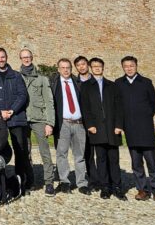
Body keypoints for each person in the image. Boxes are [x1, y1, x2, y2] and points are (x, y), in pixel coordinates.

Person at [115, 56, 155, 204]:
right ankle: (143, 190)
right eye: (126, 66)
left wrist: (144, 117)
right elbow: (118, 105)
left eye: (131, 65)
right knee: (136, 163)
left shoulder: (146, 82)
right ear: (123, 68)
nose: (129, 68)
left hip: (145, 129)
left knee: (151, 162)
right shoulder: (119, 84)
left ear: (136, 66)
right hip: (130, 129)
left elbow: (153, 104)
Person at [0, 47, 32, 191]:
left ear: (6, 57)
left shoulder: (16, 76)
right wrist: (0, 112)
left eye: (2, 57)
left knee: (21, 150)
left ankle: (22, 182)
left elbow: (22, 95)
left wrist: (11, 110)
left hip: (16, 117)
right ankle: (0, 182)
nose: (0, 60)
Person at [80, 57, 127, 200]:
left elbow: (119, 108)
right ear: (91, 68)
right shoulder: (86, 86)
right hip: (97, 128)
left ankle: (117, 187)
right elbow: (85, 108)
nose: (97, 68)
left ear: (103, 67)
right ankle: (105, 187)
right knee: (101, 159)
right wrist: (90, 125)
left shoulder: (112, 86)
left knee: (114, 159)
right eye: (94, 66)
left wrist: (119, 125)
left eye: (99, 66)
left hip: (112, 128)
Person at [18, 49, 56, 196]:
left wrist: (50, 123)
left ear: (32, 58)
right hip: (22, 118)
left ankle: (49, 182)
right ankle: (28, 181)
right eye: (23, 57)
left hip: (39, 119)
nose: (26, 59)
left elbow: (49, 101)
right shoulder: (17, 77)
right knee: (24, 152)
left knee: (44, 152)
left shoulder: (42, 78)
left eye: (28, 57)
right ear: (20, 59)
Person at [51, 58, 89, 195]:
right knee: (62, 154)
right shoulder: (54, 84)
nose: (66, 70)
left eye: (68, 67)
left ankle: (82, 183)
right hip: (63, 124)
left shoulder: (78, 83)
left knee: (80, 155)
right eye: (63, 68)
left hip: (79, 124)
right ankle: (65, 182)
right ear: (58, 69)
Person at [74, 55, 96, 189]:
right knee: (86, 151)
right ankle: (92, 178)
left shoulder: (96, 81)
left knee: (99, 151)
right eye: (78, 65)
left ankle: (105, 178)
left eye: (83, 64)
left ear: (87, 65)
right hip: (81, 120)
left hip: (97, 120)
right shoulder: (75, 82)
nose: (81, 67)